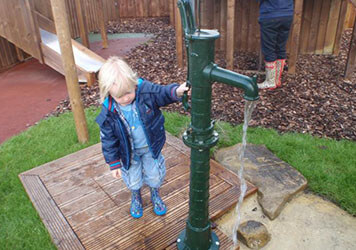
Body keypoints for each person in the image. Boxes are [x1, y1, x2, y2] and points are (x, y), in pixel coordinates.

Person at [96, 56, 188, 219]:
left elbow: (162, 93)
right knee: (133, 178)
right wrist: (114, 163)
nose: (126, 98)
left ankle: (155, 193)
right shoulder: (108, 113)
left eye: (129, 92)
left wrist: (177, 91)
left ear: (134, 83)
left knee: (155, 175)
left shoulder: (145, 92)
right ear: (108, 93)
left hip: (150, 147)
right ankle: (136, 195)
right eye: (120, 96)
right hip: (128, 153)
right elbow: (108, 140)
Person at [257, 0, 294, 90]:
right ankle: (276, 80)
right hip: (287, 14)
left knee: (269, 48)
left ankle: (270, 82)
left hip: (270, 15)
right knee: (281, 47)